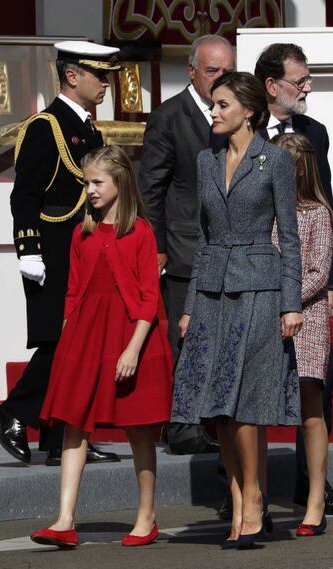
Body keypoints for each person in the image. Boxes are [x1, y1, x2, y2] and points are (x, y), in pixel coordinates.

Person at [171, 71, 303, 549]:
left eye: (223, 104)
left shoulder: (275, 162)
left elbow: (288, 238)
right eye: (213, 104)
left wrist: (292, 304)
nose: (215, 111)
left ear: (249, 109)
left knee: (244, 404)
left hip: (260, 290)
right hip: (211, 295)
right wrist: (189, 306)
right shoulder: (207, 161)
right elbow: (203, 240)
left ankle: (253, 497)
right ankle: (236, 493)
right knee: (216, 407)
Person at [30, 145, 173, 549]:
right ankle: (64, 520)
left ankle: (146, 517)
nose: (90, 190)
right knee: (73, 425)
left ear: (120, 182)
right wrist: (66, 336)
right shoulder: (82, 231)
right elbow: (73, 291)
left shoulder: (141, 232)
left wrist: (132, 349)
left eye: (97, 182)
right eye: (86, 182)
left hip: (131, 337)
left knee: (139, 429)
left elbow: (148, 298)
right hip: (86, 337)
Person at [0, 41, 121, 466]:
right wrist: (28, 250)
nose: (106, 83)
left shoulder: (87, 128)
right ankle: (14, 411)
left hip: (84, 251)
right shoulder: (46, 126)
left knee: (77, 342)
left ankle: (61, 436)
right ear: (71, 75)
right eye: (99, 75)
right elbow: (25, 194)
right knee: (60, 342)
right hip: (53, 250)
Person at [254, 42, 333, 515]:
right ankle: (244, 485)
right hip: (256, 282)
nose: (308, 87)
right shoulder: (242, 130)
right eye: (301, 80)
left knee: (320, 382)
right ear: (273, 86)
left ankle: (309, 484)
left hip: (309, 292)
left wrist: (330, 281)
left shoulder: (316, 132)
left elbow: (325, 205)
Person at [139, 34, 235, 455]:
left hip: (227, 247)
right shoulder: (170, 116)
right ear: (192, 71)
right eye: (213, 71)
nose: (220, 79)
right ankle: (181, 425)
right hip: (184, 249)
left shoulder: (236, 115)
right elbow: (150, 188)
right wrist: (157, 245)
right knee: (187, 335)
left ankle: (204, 417)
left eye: (227, 71)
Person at [272, 133, 333, 536]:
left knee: (310, 406)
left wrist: (286, 299)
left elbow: (319, 272)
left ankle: (315, 500)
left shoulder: (316, 213)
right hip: (266, 314)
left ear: (296, 169)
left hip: (306, 318)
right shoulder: (266, 211)